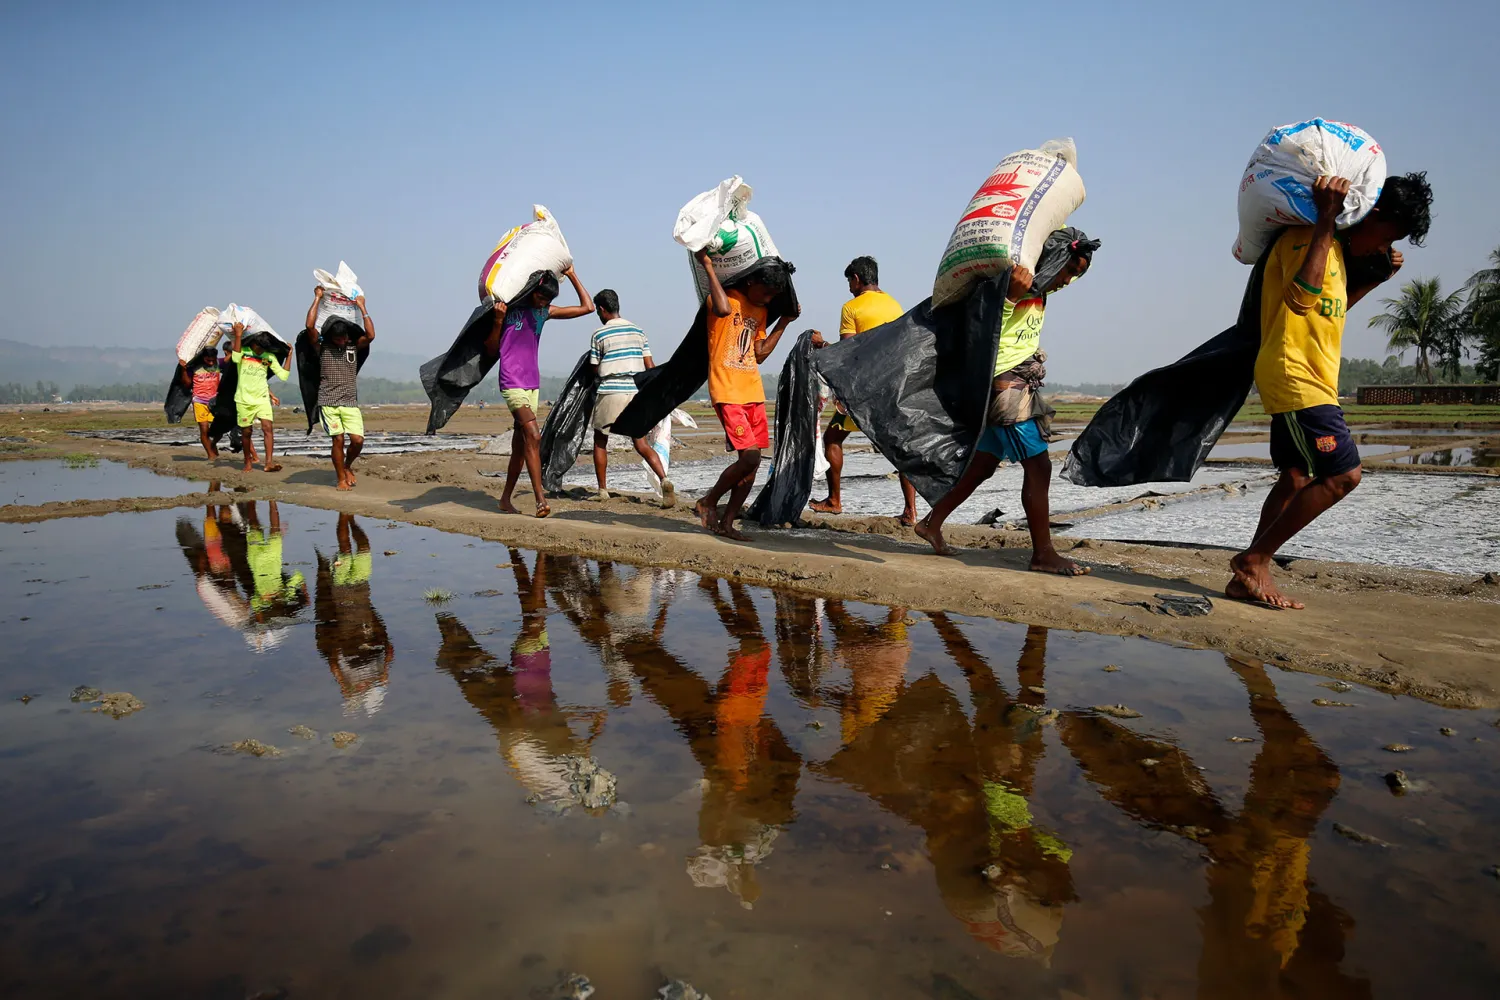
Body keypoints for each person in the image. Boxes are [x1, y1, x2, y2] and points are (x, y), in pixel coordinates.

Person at [1228, 172, 1432, 609]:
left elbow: (1329, 312)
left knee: (1296, 477)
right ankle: (1254, 560)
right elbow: (1301, 300)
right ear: (1372, 214)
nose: (1383, 245)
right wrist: (1325, 218)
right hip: (1296, 375)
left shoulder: (1335, 251)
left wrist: (1374, 277)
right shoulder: (1309, 237)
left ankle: (1247, 574)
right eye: (1387, 235)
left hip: (1312, 377)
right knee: (1343, 475)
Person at [915, 232, 1099, 574]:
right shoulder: (1008, 287)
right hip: (1005, 387)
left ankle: (931, 523)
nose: (1068, 280)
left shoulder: (1040, 288)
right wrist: (1010, 297)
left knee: (983, 465)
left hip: (1017, 382)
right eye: (1068, 270)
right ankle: (1043, 554)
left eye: (1076, 274)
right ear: (1054, 259)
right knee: (1039, 467)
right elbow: (980, 326)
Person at [691, 251, 797, 540]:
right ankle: (708, 501)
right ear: (751, 282)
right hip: (727, 390)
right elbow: (723, 310)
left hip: (752, 391)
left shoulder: (761, 311)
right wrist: (708, 265)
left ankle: (727, 523)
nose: (767, 299)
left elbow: (760, 354)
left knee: (753, 465)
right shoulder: (721, 299)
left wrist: (784, 322)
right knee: (749, 458)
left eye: (773, 295)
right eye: (765, 292)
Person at [809, 256, 919, 525]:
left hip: (865, 391)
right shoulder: (895, 305)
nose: (849, 287)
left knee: (833, 438)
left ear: (856, 278)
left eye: (849, 281)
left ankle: (834, 501)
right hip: (894, 387)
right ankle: (911, 511)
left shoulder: (852, 307)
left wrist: (822, 345)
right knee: (900, 448)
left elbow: (849, 352)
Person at [485, 267, 594, 517]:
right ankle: (540, 499)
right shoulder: (509, 310)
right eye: (540, 297)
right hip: (511, 381)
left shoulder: (544, 313)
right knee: (534, 436)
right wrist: (498, 321)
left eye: (547, 300)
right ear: (532, 290)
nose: (543, 302)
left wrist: (573, 275)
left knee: (520, 446)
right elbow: (492, 350)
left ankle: (504, 500)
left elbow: (587, 307)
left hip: (532, 383)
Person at [586, 288, 674, 506]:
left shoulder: (599, 334)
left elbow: (594, 369)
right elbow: (650, 366)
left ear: (602, 309)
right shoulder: (638, 331)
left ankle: (603, 490)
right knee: (641, 443)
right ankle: (664, 480)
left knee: (600, 441)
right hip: (635, 392)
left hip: (610, 391)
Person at [305, 286, 376, 490]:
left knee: (358, 441)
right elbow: (310, 327)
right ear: (329, 337)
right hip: (328, 401)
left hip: (349, 402)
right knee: (338, 439)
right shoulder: (323, 348)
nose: (342, 341)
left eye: (344, 338)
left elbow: (370, 336)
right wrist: (317, 298)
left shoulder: (352, 347)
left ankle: (347, 466)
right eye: (338, 339)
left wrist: (363, 307)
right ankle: (340, 479)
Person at [230, 321, 290, 473]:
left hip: (262, 398)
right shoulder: (243, 353)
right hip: (244, 398)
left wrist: (289, 355)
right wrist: (238, 334)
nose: (260, 350)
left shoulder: (267, 357)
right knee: (246, 432)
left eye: (263, 348)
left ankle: (268, 463)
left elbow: (283, 375)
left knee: (267, 428)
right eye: (258, 347)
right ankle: (247, 462)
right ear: (253, 343)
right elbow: (235, 358)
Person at [177, 344, 223, 460]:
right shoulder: (194, 367)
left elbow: (231, 357)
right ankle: (210, 455)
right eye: (208, 360)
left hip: (215, 402)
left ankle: (213, 445)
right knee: (204, 429)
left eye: (213, 360)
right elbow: (187, 384)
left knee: (219, 430)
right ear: (203, 358)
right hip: (199, 401)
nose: (211, 363)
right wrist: (183, 369)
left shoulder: (219, 364)